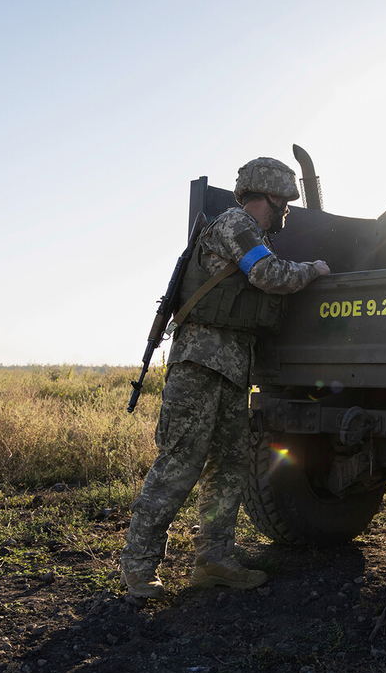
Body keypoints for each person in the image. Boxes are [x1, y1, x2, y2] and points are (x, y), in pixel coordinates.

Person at [120, 157, 330, 599]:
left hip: (233, 368)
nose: (286, 211)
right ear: (268, 197)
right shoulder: (236, 225)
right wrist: (315, 270)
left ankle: (214, 560)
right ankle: (139, 569)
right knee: (179, 464)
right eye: (284, 202)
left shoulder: (244, 230)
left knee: (229, 467)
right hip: (201, 364)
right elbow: (268, 275)